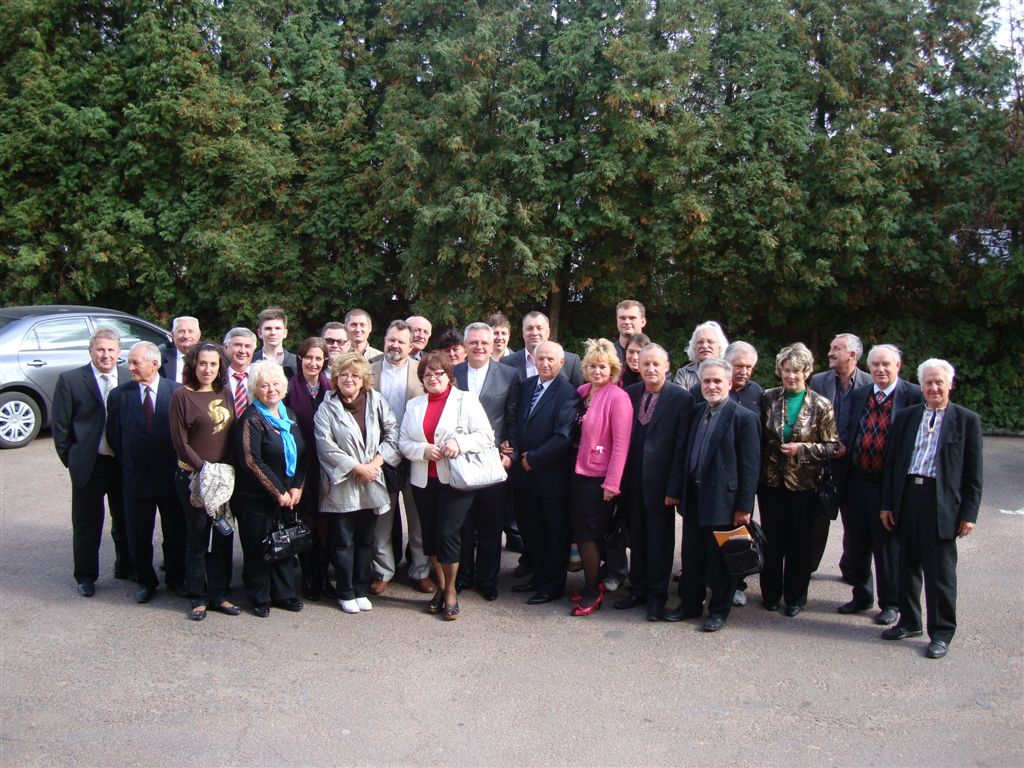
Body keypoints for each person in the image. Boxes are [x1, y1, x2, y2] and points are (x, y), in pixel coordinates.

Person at [880, 359, 982, 659]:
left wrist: (969, 514)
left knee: (940, 573)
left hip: (942, 502)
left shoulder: (967, 420)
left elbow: (974, 474)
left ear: (950, 384)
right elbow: (891, 464)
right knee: (906, 565)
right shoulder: (906, 417)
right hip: (908, 496)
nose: (934, 387)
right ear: (921, 386)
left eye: (939, 382)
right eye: (928, 383)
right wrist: (887, 504)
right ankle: (909, 621)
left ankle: (941, 632)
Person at [399, 351, 495, 620]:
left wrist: (458, 443)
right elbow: (403, 441)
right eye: (427, 374)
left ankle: (451, 591)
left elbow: (486, 436)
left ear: (449, 375)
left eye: (438, 373)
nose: (433, 378)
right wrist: (422, 450)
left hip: (455, 479)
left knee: (447, 533)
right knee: (430, 536)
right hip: (423, 480)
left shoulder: (466, 400)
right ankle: (440, 588)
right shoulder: (414, 405)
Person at [667, 357, 760, 631]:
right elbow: (683, 454)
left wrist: (744, 506)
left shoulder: (744, 418)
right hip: (694, 497)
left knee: (720, 560)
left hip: (725, 502)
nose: (711, 386)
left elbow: (750, 466)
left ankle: (719, 610)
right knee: (692, 555)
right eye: (706, 381)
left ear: (729, 384)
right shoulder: (696, 411)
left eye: (717, 381)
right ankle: (690, 603)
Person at [838, 344, 923, 624]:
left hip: (887, 484)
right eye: (875, 364)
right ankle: (861, 595)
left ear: (898, 366)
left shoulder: (913, 395)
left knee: (887, 546)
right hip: (856, 480)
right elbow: (850, 429)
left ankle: (891, 603)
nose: (880, 369)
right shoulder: (860, 393)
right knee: (857, 543)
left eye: (886, 364)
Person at [314, 352, 401, 614]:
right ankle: (345, 591)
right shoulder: (326, 408)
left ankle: (360, 589)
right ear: (335, 379)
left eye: (355, 375)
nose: (349, 379)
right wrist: (356, 468)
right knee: (343, 541)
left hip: (372, 479)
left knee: (366, 540)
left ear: (363, 379)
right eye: (343, 375)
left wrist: (375, 463)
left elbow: (393, 433)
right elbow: (325, 446)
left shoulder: (376, 401)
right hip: (342, 485)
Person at [759, 343, 840, 617]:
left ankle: (796, 597)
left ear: (807, 372)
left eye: (796, 371)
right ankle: (770, 594)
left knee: (799, 544)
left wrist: (802, 449)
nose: (791, 376)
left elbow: (832, 446)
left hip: (804, 485)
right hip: (771, 483)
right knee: (771, 541)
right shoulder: (768, 398)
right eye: (786, 370)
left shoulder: (821, 404)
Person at [52, 327, 134, 596]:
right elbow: (61, 426)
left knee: (125, 520)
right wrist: (72, 459)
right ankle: (86, 576)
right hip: (90, 464)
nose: (106, 355)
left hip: (122, 464)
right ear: (90, 351)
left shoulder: (129, 377)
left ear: (119, 352)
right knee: (87, 525)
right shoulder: (71, 380)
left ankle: (126, 566)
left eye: (111, 350)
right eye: (100, 349)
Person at [106, 341, 185, 603]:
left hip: (170, 476)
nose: (130, 367)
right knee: (138, 534)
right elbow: (114, 436)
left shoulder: (177, 392)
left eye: (135, 363)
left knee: (175, 532)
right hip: (136, 476)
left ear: (155, 363)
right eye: (129, 362)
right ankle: (145, 580)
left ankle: (176, 577)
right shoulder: (119, 395)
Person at [617, 344, 692, 621]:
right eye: (645, 363)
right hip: (632, 481)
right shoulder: (630, 393)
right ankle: (637, 589)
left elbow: (682, 448)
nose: (650, 369)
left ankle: (657, 596)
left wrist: (674, 488)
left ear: (667, 366)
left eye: (656, 364)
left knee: (659, 542)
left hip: (661, 485)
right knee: (636, 539)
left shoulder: (681, 398)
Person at [169, 341, 240, 621]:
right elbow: (180, 442)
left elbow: (230, 434)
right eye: (202, 363)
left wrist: (225, 471)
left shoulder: (225, 392)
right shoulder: (181, 396)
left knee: (223, 535)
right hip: (194, 477)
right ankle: (197, 596)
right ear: (193, 365)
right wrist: (205, 469)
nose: (207, 369)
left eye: (213, 364)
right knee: (198, 537)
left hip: (223, 478)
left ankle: (219, 594)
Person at [232, 361, 307, 617]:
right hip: (257, 496)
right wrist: (278, 492)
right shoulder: (251, 418)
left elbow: (303, 452)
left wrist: (297, 487)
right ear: (255, 390)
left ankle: (284, 593)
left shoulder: (289, 415)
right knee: (259, 547)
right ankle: (259, 596)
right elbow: (251, 461)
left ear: (284, 387)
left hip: (289, 495)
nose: (271, 389)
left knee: (285, 544)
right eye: (264, 386)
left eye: (275, 384)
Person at [508, 342, 580, 604]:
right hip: (523, 473)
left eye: (551, 359)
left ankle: (552, 586)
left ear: (562, 362)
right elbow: (515, 421)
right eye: (541, 359)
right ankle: (538, 577)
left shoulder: (567, 393)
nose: (545, 363)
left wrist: (534, 458)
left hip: (551, 475)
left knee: (553, 532)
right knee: (531, 528)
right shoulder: (527, 385)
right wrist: (516, 451)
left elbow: (563, 436)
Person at [453, 322, 519, 600]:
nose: (479, 347)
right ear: (465, 346)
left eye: (484, 343)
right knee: (464, 524)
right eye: (474, 342)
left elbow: (513, 417)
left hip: (494, 460)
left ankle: (488, 580)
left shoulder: (509, 375)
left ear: (493, 346)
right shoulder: (453, 373)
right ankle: (464, 576)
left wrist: (511, 453)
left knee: (491, 525)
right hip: (460, 458)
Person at [568, 339, 633, 617]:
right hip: (577, 473)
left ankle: (593, 591)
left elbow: (621, 444)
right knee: (581, 533)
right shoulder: (583, 392)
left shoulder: (618, 398)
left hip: (598, 478)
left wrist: (612, 483)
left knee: (588, 536)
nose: (597, 371)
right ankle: (590, 585)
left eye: (602, 367)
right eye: (592, 366)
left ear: (613, 370)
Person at [369, 321, 433, 594]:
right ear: (384, 340)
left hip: (415, 454)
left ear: (411, 346)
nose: (395, 345)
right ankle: (383, 571)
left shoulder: (422, 372)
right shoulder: (368, 370)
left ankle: (420, 570)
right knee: (382, 517)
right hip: (379, 454)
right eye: (391, 340)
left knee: (418, 517)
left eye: (401, 342)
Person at [809, 333, 873, 575]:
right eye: (830, 347)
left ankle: (851, 568)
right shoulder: (818, 381)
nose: (830, 353)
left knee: (855, 522)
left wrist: (846, 445)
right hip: (824, 461)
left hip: (855, 464)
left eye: (837, 348)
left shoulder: (869, 383)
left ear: (852, 354)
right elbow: (810, 419)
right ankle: (808, 566)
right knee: (817, 519)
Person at [286, 337, 333, 600]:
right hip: (300, 466)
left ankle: (323, 575)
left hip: (326, 465)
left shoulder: (331, 387)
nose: (313, 363)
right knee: (306, 522)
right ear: (300, 359)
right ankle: (308, 577)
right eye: (308, 358)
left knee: (325, 523)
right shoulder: (288, 388)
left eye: (318, 358)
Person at [723, 339, 764, 607]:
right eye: (739, 365)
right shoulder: (712, 387)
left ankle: (738, 584)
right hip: (716, 477)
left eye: (749, 367)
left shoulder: (758, 393)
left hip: (744, 475)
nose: (744, 371)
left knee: (738, 532)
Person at [502, 311, 585, 386]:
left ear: (548, 332)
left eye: (539, 328)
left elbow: (579, 394)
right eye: (529, 328)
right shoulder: (507, 363)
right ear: (523, 332)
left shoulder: (571, 362)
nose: (535, 333)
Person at [672, 321, 728, 390]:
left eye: (710, 341)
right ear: (694, 347)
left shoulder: (728, 371)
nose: (705, 346)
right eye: (700, 342)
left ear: (719, 347)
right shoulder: (683, 374)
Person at [251, 306, 298, 378]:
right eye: (268, 328)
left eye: (277, 328)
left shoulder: (296, 363)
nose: (273, 332)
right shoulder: (250, 362)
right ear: (260, 333)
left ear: (285, 333)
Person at [223, 327, 257, 419]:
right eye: (237, 345)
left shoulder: (260, 377)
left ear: (253, 350)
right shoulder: (217, 377)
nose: (242, 351)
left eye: (247, 346)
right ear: (226, 347)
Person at [159, 316, 200, 383]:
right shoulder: (160, 358)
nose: (186, 336)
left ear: (198, 335)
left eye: (190, 331)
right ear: (173, 335)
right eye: (181, 331)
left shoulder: (207, 358)